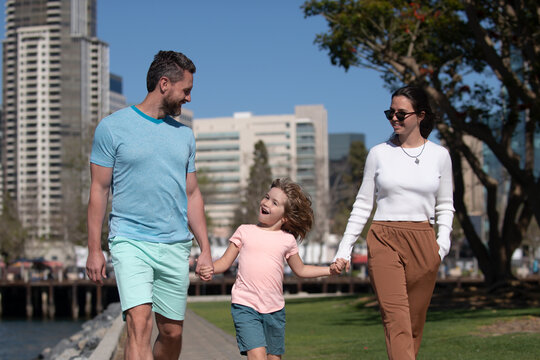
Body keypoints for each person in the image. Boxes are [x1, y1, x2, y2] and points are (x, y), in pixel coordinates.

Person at [86, 50, 213, 360]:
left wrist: (205, 248)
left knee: (172, 334)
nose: (189, 98)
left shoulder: (185, 136)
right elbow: (99, 189)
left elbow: (193, 194)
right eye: (186, 90)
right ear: (164, 84)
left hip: (174, 244)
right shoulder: (112, 127)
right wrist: (93, 248)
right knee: (138, 325)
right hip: (130, 241)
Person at [333, 86, 454, 360]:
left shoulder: (440, 156)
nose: (394, 119)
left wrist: (441, 246)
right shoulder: (379, 153)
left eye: (401, 113)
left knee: (412, 325)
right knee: (396, 319)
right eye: (390, 113)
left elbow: (445, 205)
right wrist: (344, 249)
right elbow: (363, 204)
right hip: (384, 237)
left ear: (421, 115)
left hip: (424, 240)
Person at [200, 178, 346, 360]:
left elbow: (300, 270)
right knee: (258, 356)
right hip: (245, 305)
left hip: (275, 309)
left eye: (274, 202)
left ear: (284, 217)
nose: (266, 202)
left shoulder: (287, 240)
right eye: (267, 197)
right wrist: (209, 268)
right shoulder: (244, 231)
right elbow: (224, 262)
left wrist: (329, 270)